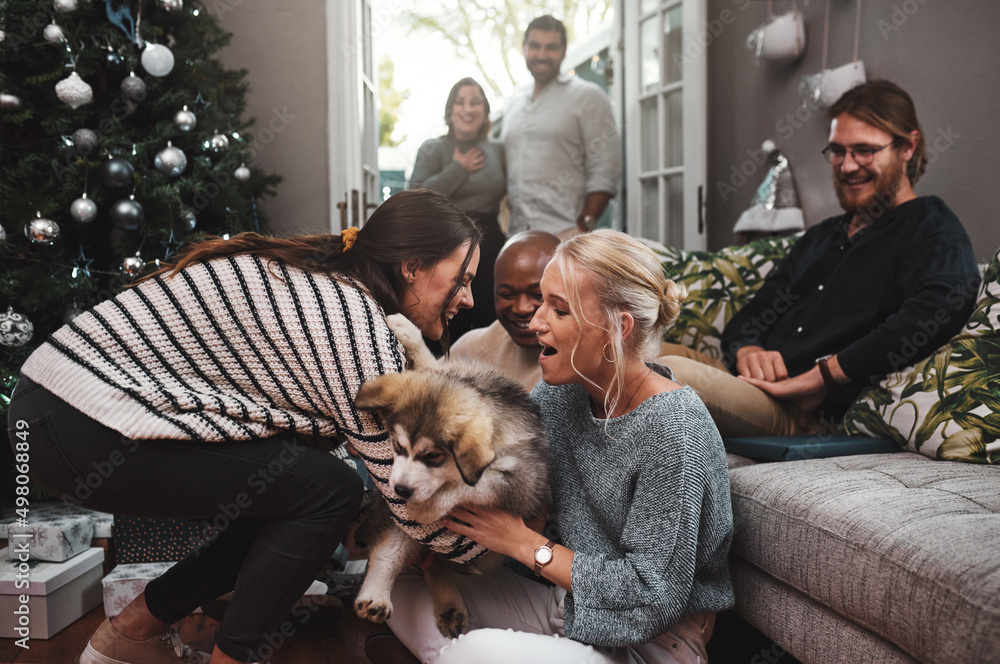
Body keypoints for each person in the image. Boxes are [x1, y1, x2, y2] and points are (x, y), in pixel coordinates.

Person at [6, 189, 482, 664]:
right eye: (462, 279)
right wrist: (520, 550)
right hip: (80, 417)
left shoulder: (332, 286)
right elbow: (408, 498)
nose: (469, 297)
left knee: (298, 488)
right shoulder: (357, 324)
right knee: (330, 492)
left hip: (52, 407)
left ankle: (129, 636)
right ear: (413, 267)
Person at [387, 229, 734, 663]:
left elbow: (652, 597)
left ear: (618, 328)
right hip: (566, 605)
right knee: (401, 587)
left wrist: (523, 544)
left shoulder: (675, 431)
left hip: (655, 642)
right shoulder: (562, 394)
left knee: (476, 649)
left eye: (559, 309)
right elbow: (502, 468)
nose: (535, 323)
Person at [662, 80, 981, 438]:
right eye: (837, 151)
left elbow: (945, 300)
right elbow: (752, 313)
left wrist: (822, 377)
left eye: (864, 150)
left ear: (908, 147)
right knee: (621, 351)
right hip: (741, 379)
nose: (847, 166)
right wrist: (748, 348)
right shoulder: (821, 236)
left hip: (794, 411)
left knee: (666, 374)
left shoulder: (930, 223)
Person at [501, 15, 621, 237]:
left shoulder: (588, 96)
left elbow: (606, 168)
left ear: (564, 50)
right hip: (516, 236)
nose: (542, 55)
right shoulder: (513, 105)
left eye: (551, 47)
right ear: (524, 48)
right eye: (535, 46)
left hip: (565, 234)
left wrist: (583, 226)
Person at [410, 78, 506, 339]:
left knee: (489, 323)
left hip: (490, 247)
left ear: (485, 110)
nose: (467, 109)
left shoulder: (498, 150)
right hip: (446, 245)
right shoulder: (433, 148)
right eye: (460, 102)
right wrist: (458, 169)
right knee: (451, 323)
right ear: (449, 111)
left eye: (475, 102)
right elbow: (415, 197)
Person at [450, 230, 560, 392]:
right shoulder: (470, 350)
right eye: (507, 295)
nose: (521, 308)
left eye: (538, 295)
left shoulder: (583, 364)